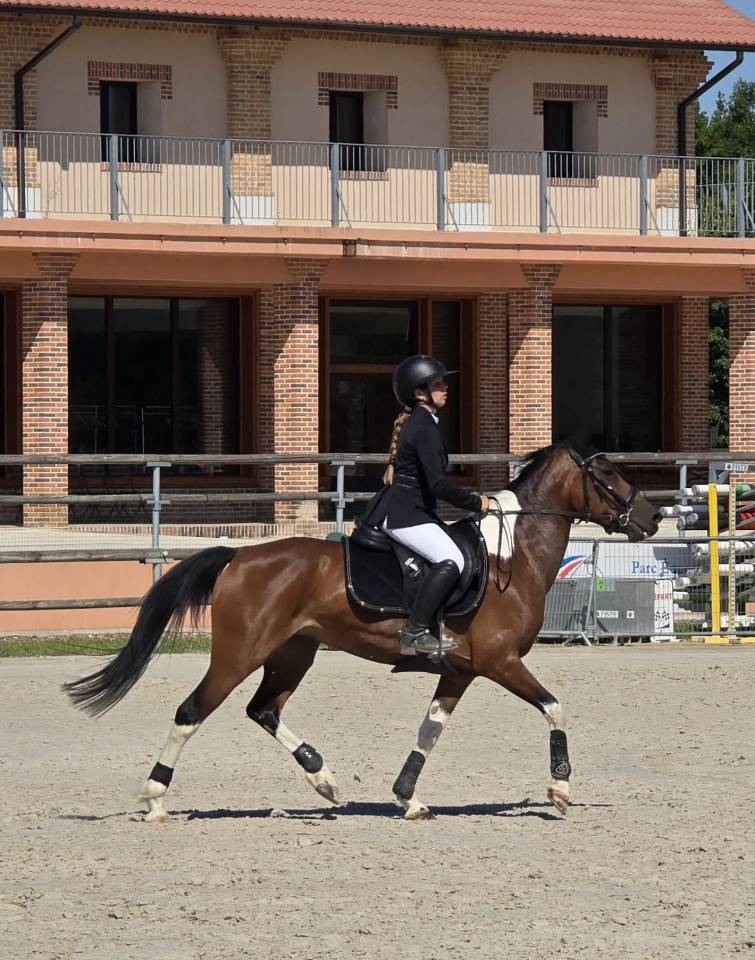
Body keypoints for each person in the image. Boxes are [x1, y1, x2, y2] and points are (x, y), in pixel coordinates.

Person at [360, 355, 489, 656]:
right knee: (452, 559)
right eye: (438, 384)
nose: (445, 388)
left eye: (443, 383)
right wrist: (476, 502)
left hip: (412, 510)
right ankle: (415, 633)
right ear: (420, 393)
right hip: (405, 513)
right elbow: (438, 485)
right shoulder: (423, 426)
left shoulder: (423, 422)